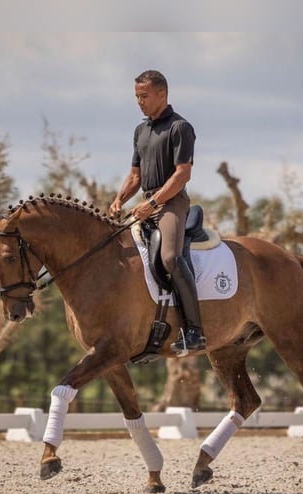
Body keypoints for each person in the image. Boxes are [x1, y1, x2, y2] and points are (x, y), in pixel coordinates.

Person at [109, 70, 206, 356]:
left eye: (145, 96)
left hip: (171, 204)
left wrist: (152, 205)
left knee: (170, 258)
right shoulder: (140, 131)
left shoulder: (180, 128)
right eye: (137, 97)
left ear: (162, 94)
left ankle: (194, 331)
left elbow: (182, 175)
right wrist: (119, 199)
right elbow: (135, 176)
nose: (139, 102)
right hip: (144, 204)